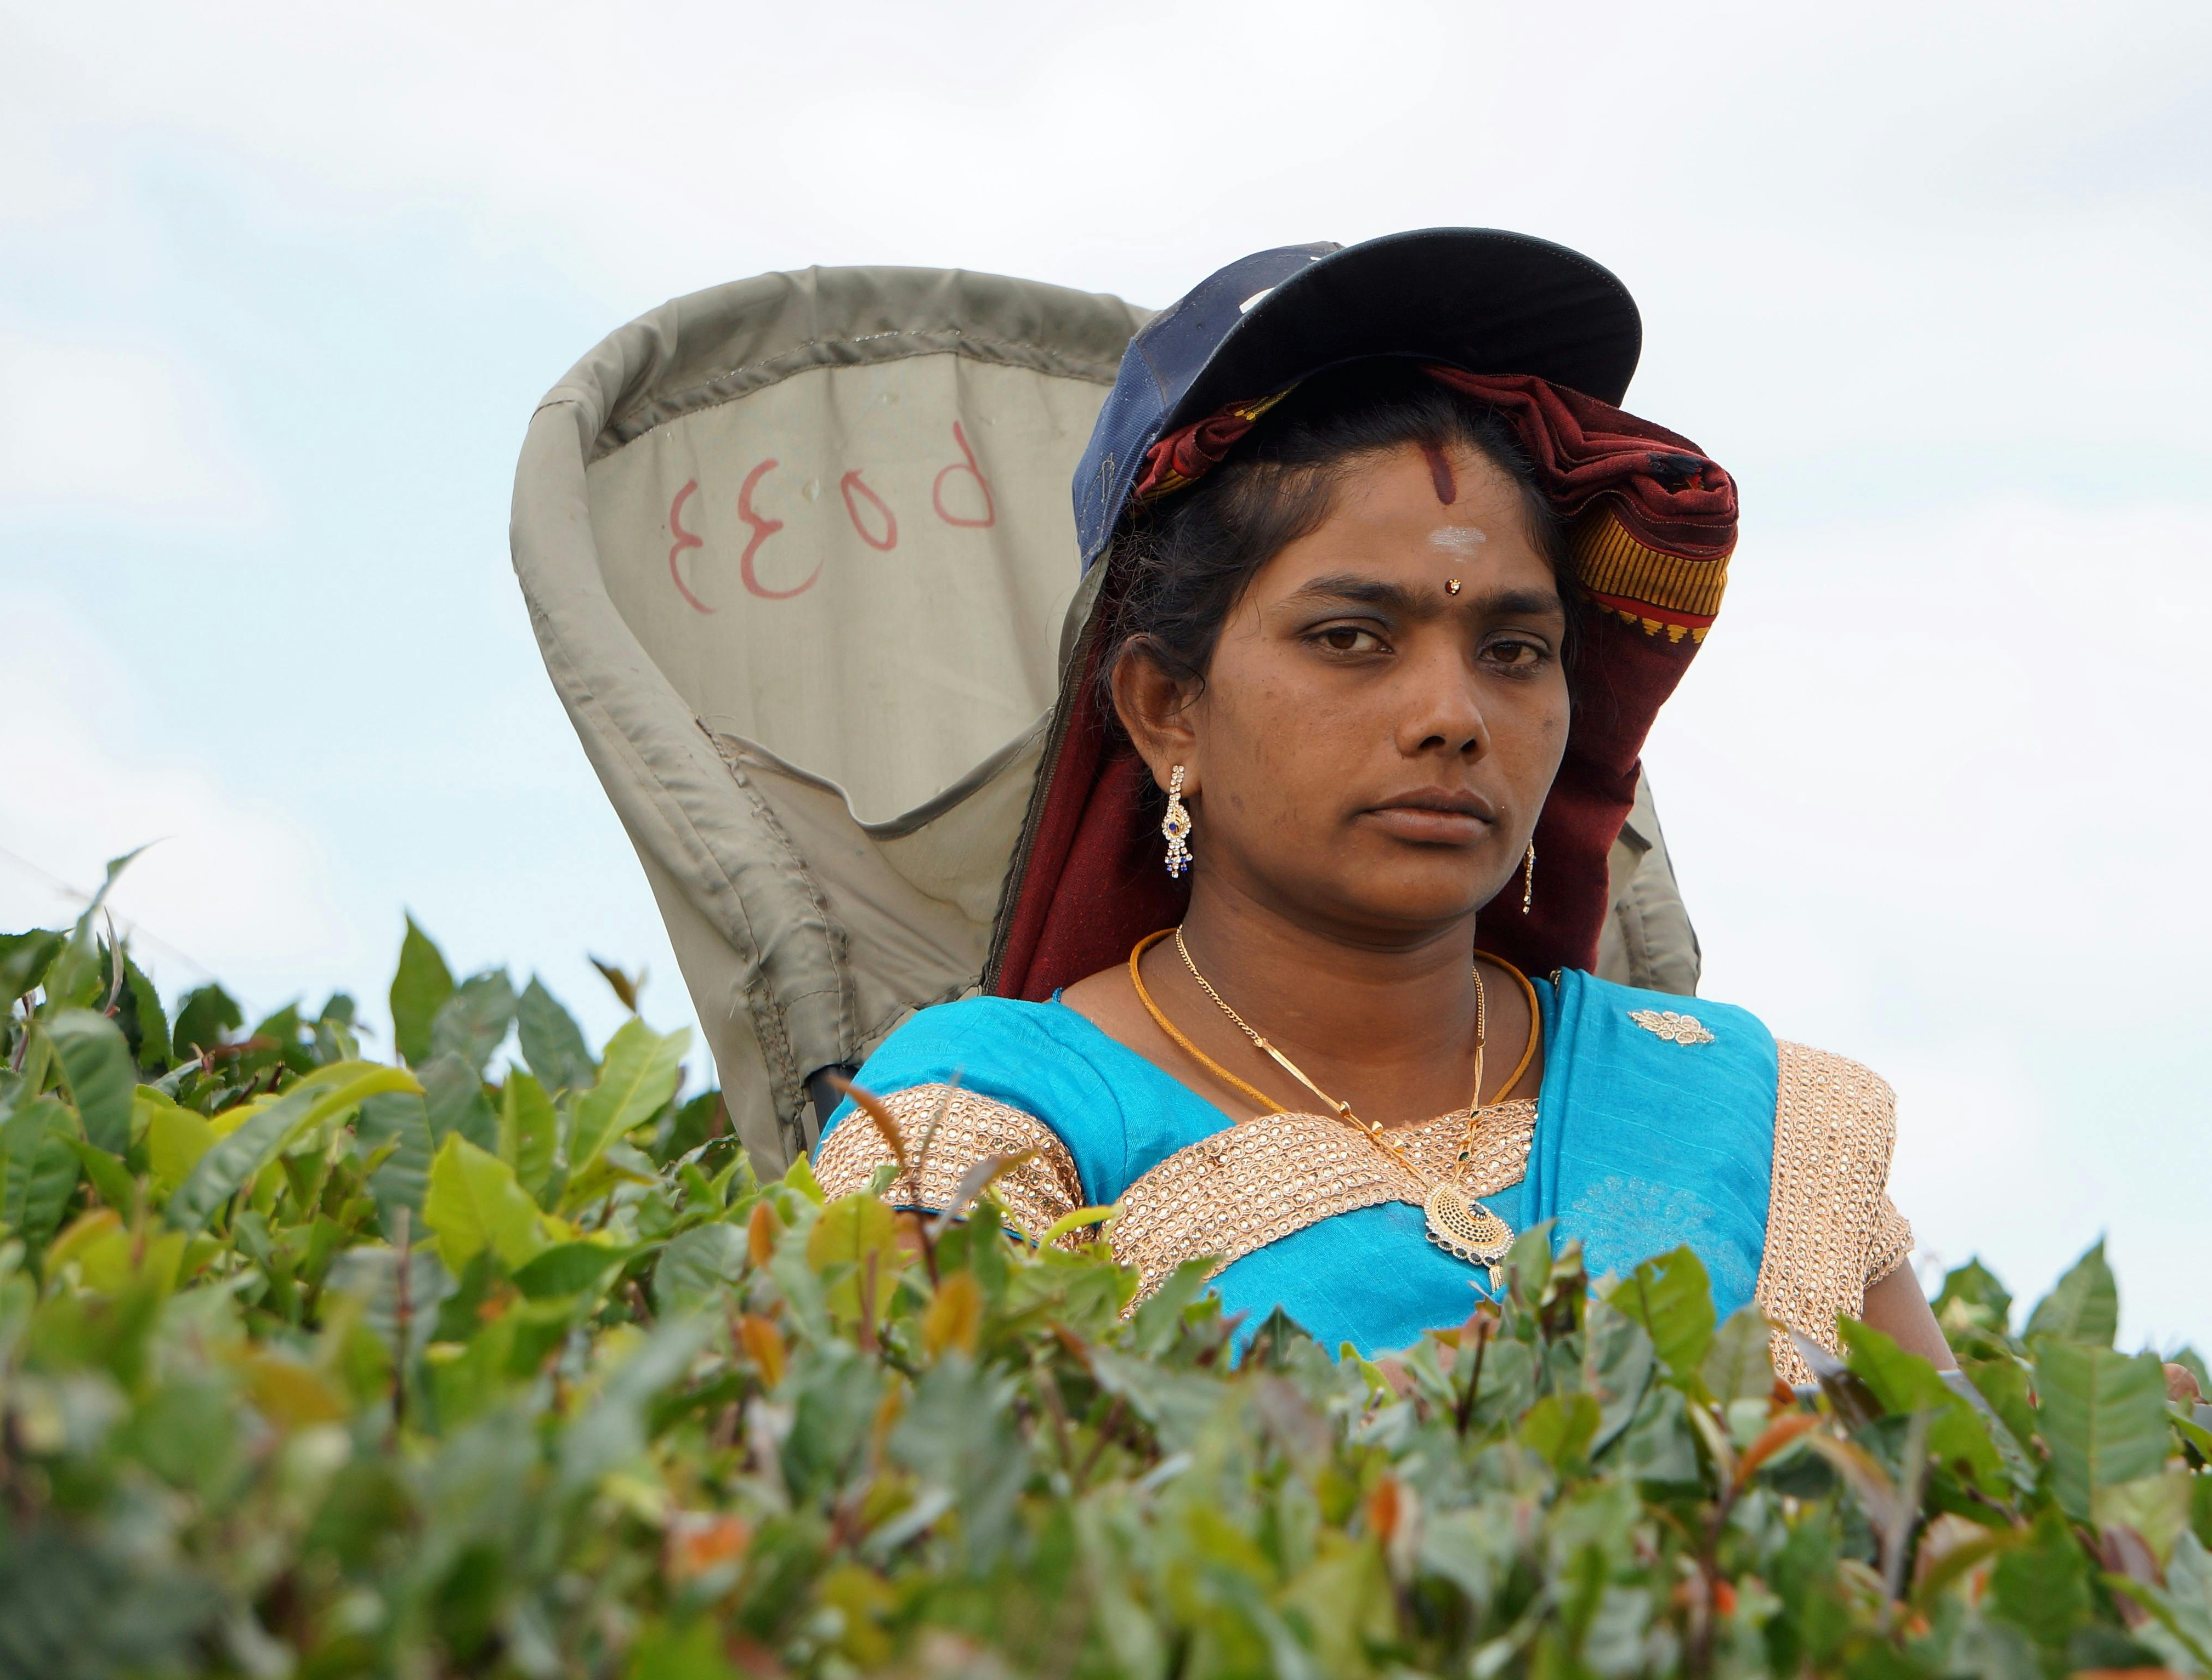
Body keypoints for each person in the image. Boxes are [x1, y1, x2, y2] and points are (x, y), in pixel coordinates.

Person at [811, 230, 1951, 1378]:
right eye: (1350, 638)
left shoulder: (1742, 1119)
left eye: (1513, 648)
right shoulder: (989, 1117)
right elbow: (922, 1502)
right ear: (1166, 710)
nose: (1451, 714)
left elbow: (1978, 1526)